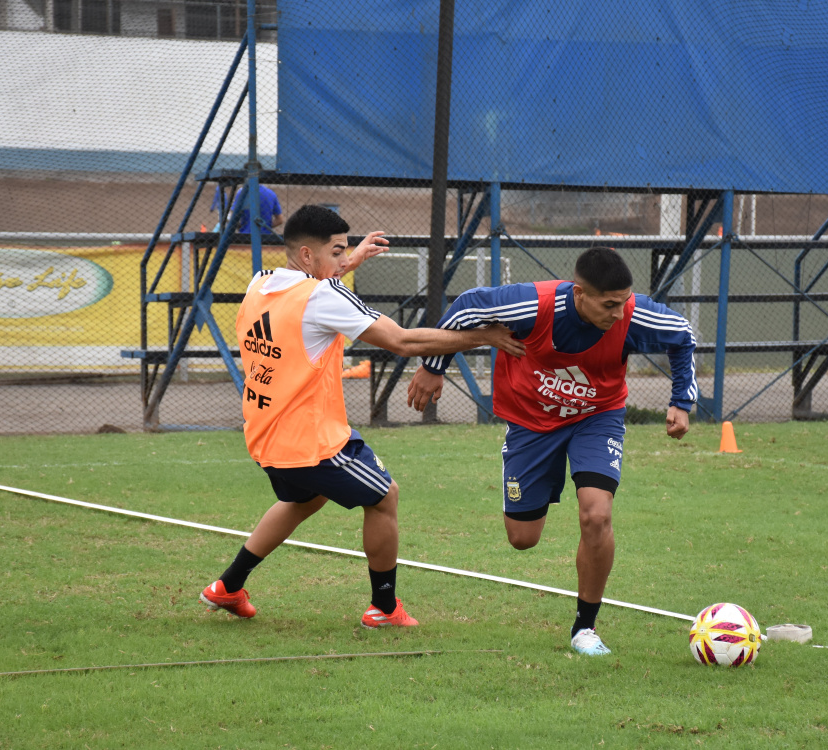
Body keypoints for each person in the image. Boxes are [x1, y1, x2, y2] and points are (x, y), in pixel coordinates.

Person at [200, 204, 524, 627]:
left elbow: (308, 291)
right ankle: (385, 608)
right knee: (384, 496)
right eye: (336, 252)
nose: (342, 261)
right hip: (311, 440)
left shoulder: (260, 283)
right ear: (306, 257)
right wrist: (482, 336)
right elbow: (403, 341)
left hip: (265, 433)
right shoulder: (322, 296)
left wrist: (347, 262)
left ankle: (227, 586)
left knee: (304, 498)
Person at [406, 247, 698, 655]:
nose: (619, 313)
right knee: (522, 538)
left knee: (596, 514)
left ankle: (585, 629)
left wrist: (681, 400)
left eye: (624, 302)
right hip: (531, 422)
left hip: (596, 418)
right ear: (579, 293)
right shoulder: (532, 304)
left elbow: (683, 335)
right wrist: (432, 367)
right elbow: (466, 309)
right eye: (609, 304)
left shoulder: (633, 313)